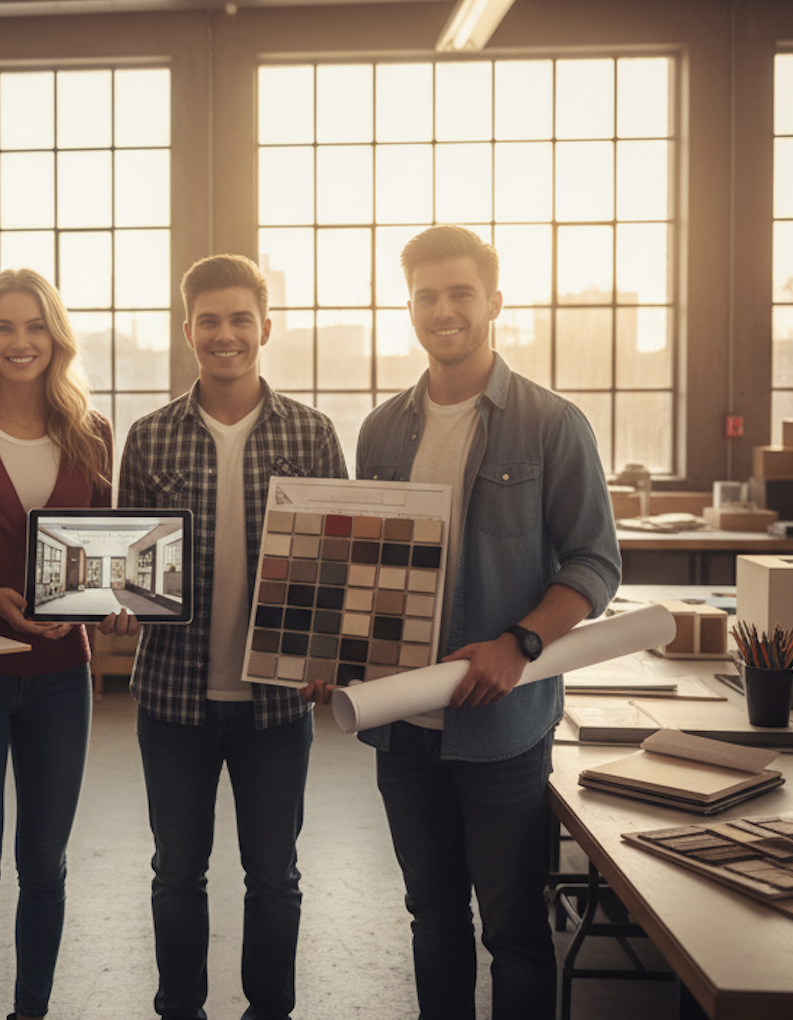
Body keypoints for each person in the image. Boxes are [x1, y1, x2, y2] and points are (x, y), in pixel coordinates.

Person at [306, 224, 621, 1019]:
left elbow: (595, 563)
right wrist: (332, 651)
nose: (443, 311)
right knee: (433, 917)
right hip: (403, 723)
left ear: (494, 303)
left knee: (513, 930)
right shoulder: (382, 429)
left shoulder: (551, 423)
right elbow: (366, 566)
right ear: (409, 308)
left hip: (502, 725)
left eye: (460, 294)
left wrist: (520, 644)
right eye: (427, 297)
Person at [117, 253, 347, 1020]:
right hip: (172, 699)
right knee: (176, 873)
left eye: (241, 319)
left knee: (274, 876)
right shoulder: (149, 438)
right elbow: (130, 571)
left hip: (276, 705)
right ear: (187, 332)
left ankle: (269, 1010)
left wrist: (330, 655)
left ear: (265, 328)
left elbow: (337, 569)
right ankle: (178, 1009)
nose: (226, 335)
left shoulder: (312, 434)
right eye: (209, 321)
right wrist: (116, 601)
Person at [0, 268, 137, 1020]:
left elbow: (102, 557)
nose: (20, 341)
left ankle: (31, 1012)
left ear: (56, 338)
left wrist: (116, 606)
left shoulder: (91, 432)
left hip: (61, 678)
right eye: (4, 326)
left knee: (44, 865)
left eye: (35, 326)